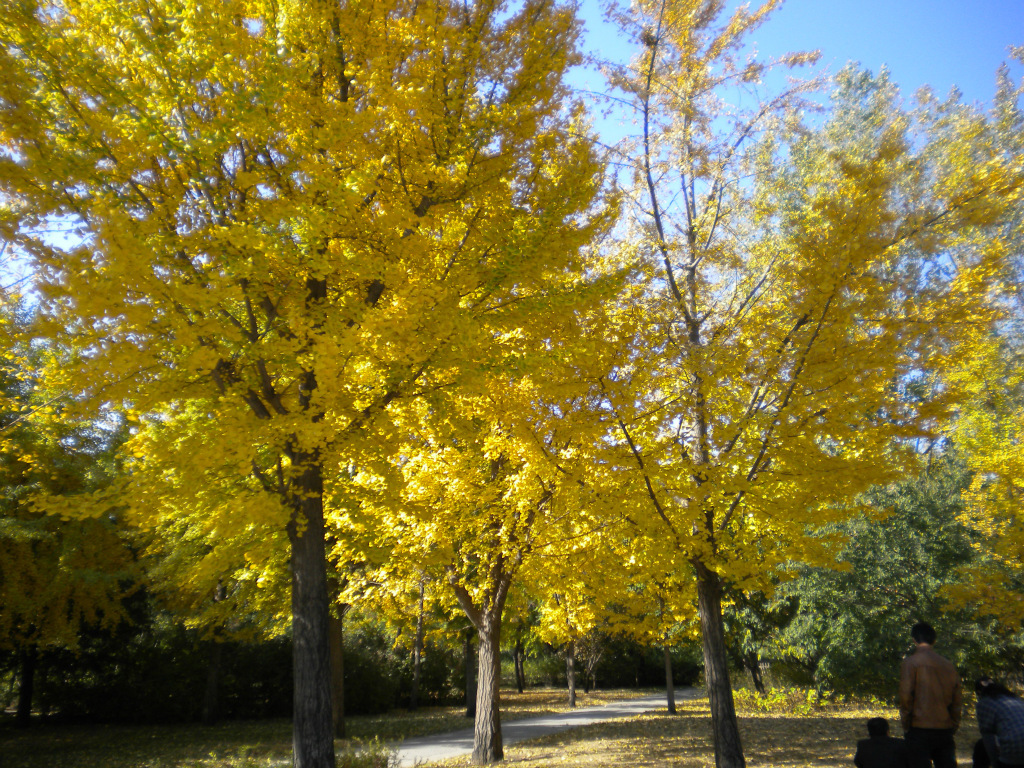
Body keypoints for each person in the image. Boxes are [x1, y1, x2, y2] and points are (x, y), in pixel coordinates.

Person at [899, 621, 962, 768]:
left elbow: (906, 695)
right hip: (944, 727)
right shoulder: (948, 664)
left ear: (914, 639)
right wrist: (953, 723)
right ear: (934, 640)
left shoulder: (911, 663)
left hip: (918, 726)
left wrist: (906, 722)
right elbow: (957, 698)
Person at [973, 677, 1024, 768]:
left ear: (979, 692)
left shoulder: (984, 703)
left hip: (1014, 751)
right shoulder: (1015, 699)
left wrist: (995, 763)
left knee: (980, 746)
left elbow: (988, 737)